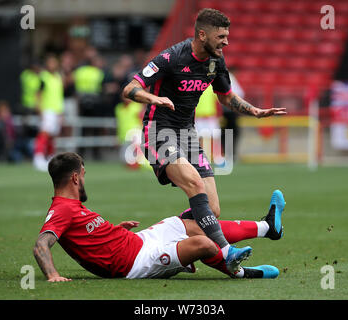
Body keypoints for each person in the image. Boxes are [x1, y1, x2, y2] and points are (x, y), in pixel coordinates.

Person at [122, 8, 287, 272]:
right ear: (202, 34)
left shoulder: (216, 61)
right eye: (221, 36)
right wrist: (154, 98)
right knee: (195, 185)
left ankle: (182, 244)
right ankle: (225, 251)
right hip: (158, 132)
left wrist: (253, 110)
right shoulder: (171, 57)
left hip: (187, 134)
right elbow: (130, 88)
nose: (226, 42)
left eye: (227, 36)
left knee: (212, 209)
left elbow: (226, 96)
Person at [33, 152, 286, 281]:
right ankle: (241, 273)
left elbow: (87, 236)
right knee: (205, 244)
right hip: (136, 263)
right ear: (75, 177)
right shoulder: (62, 209)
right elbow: (41, 244)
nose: (84, 179)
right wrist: (53, 275)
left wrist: (115, 230)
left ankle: (267, 227)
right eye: (84, 174)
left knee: (192, 223)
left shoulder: (72, 206)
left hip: (138, 241)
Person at [33, 54, 65, 171]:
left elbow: (59, 96)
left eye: (54, 62)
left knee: (52, 136)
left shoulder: (58, 77)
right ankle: (38, 158)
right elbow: (38, 94)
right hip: (47, 110)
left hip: (57, 111)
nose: (52, 65)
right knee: (44, 134)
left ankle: (51, 158)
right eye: (50, 62)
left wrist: (61, 113)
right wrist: (39, 109)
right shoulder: (43, 77)